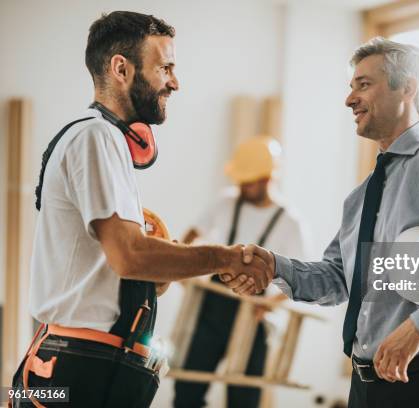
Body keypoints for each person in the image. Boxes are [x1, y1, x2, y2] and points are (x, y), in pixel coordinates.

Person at [223, 37, 419, 408]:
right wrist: (276, 267)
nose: (349, 98)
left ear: (407, 87)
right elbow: (339, 279)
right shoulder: (362, 196)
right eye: (351, 86)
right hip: (365, 385)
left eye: (363, 84)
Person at [11, 11, 271, 408]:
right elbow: (129, 256)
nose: (175, 82)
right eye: (165, 67)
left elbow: (125, 264)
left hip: (83, 359)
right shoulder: (95, 135)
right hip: (77, 362)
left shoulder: (106, 140)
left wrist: (156, 271)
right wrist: (226, 257)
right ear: (121, 68)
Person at [174, 137, 307, 408]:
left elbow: (300, 279)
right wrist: (186, 277)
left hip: (251, 318)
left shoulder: (290, 222)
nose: (242, 186)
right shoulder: (225, 203)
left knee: (244, 399)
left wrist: (268, 305)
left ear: (268, 178)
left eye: (249, 180)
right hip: (211, 311)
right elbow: (189, 237)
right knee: (187, 392)